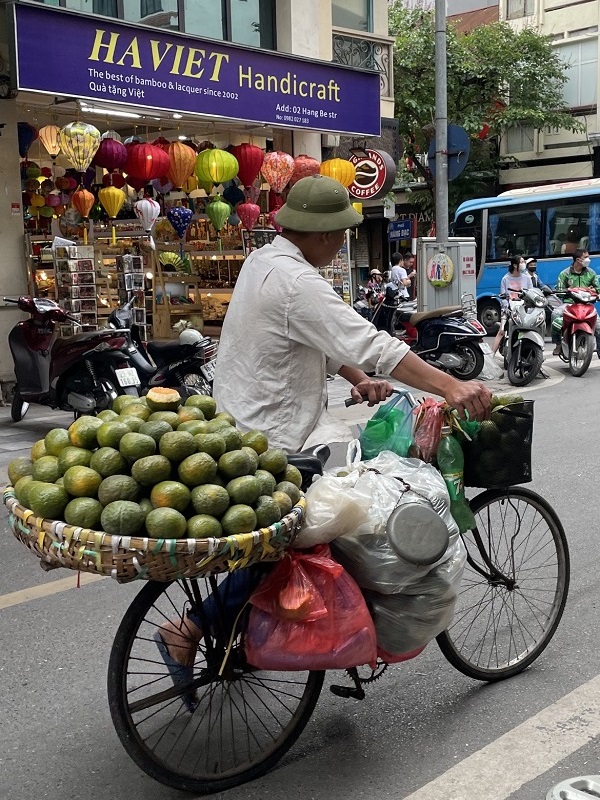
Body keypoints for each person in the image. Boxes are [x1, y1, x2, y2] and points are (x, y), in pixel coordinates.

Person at [157, 175, 492, 691]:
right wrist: (450, 386)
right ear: (318, 233)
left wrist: (358, 379)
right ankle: (194, 626)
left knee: (307, 521)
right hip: (271, 435)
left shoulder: (263, 261)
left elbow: (319, 339)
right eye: (338, 233)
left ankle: (270, 620)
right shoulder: (300, 283)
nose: (341, 242)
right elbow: (369, 340)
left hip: (239, 422)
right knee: (306, 531)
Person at [551, 249, 600, 356]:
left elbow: (598, 289)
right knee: (555, 314)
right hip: (569, 304)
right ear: (578, 260)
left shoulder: (591, 273)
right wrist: (568, 291)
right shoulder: (565, 274)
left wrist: (594, 291)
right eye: (586, 257)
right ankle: (558, 344)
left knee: (598, 326)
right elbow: (559, 290)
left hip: (587, 305)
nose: (588, 259)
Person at [492, 255, 533, 355]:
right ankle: (490, 357)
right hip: (509, 309)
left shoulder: (527, 278)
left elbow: (531, 293)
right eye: (522, 262)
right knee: (501, 331)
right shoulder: (505, 279)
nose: (524, 264)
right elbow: (503, 297)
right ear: (515, 265)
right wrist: (507, 308)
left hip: (523, 309)